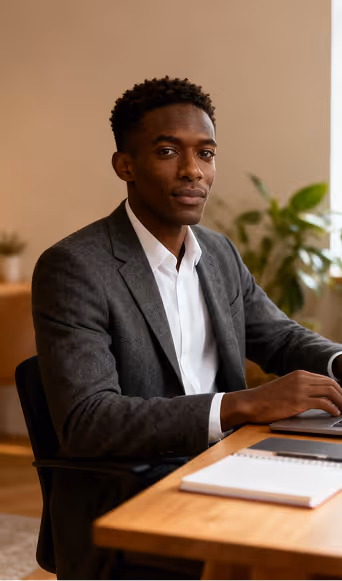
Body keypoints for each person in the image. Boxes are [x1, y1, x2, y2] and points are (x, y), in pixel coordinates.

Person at [32, 76, 342, 579]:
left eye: (207, 153)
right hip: (138, 486)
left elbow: (280, 337)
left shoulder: (217, 253)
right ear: (125, 165)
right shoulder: (75, 267)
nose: (193, 171)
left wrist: (339, 361)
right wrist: (242, 404)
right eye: (169, 151)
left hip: (233, 462)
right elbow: (89, 421)